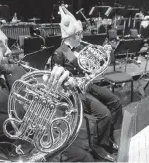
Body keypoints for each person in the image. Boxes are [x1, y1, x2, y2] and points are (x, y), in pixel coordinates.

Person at [0, 18, 93, 162]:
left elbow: (38, 107)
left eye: (6, 43)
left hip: (45, 145)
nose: (8, 51)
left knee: (86, 158)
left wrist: (57, 90)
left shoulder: (17, 71)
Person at [52, 6, 123, 161]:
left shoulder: (81, 47)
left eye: (80, 33)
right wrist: (71, 80)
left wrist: (106, 53)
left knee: (116, 102)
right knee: (104, 114)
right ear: (69, 36)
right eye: (78, 34)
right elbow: (57, 80)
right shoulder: (61, 52)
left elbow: (97, 66)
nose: (81, 36)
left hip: (87, 85)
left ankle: (112, 137)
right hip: (74, 92)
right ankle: (99, 146)